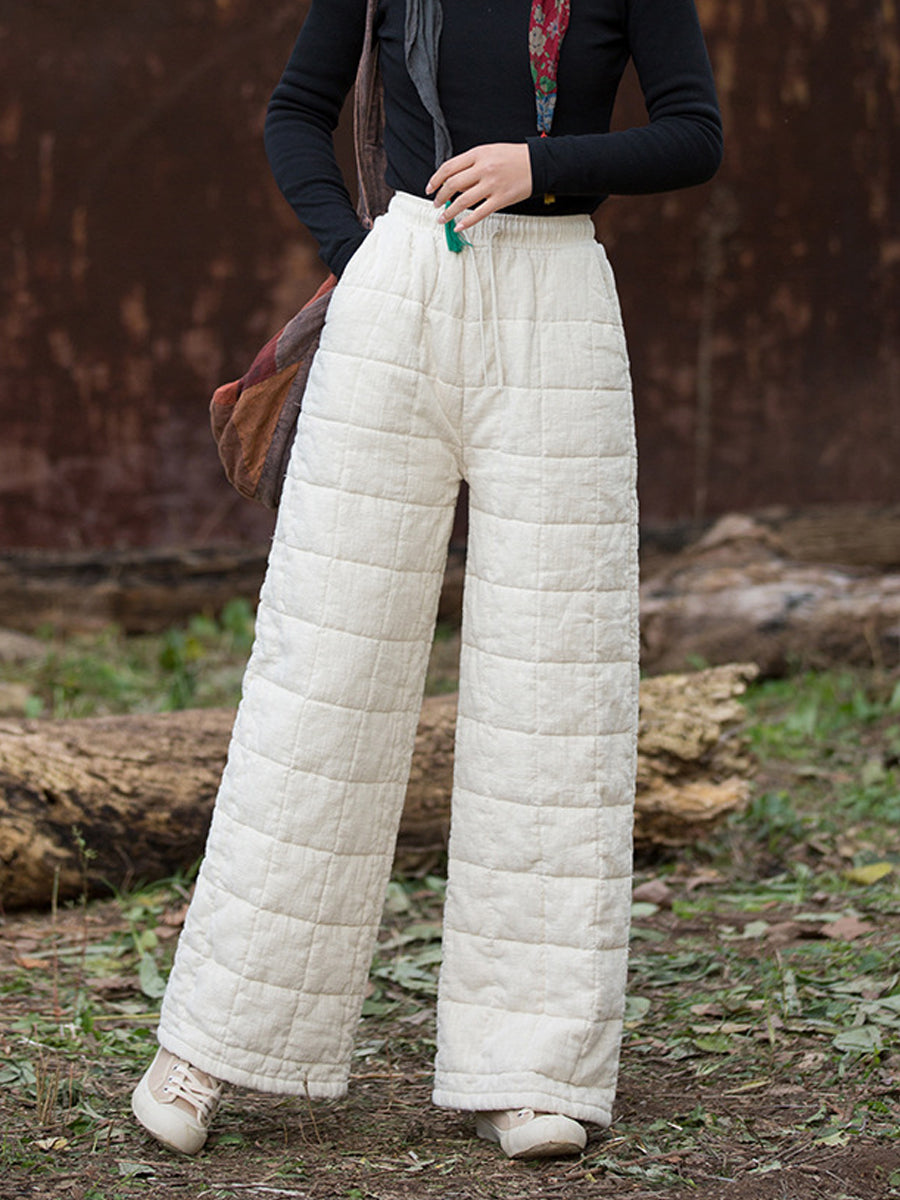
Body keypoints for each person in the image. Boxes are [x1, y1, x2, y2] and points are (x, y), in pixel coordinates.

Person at [132, 0, 722, 1161]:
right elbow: (296, 111)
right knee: (321, 676)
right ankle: (213, 1042)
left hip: (558, 304)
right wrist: (359, 253)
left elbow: (694, 134)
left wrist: (540, 166)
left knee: (555, 693)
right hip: (396, 303)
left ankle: (534, 1066)